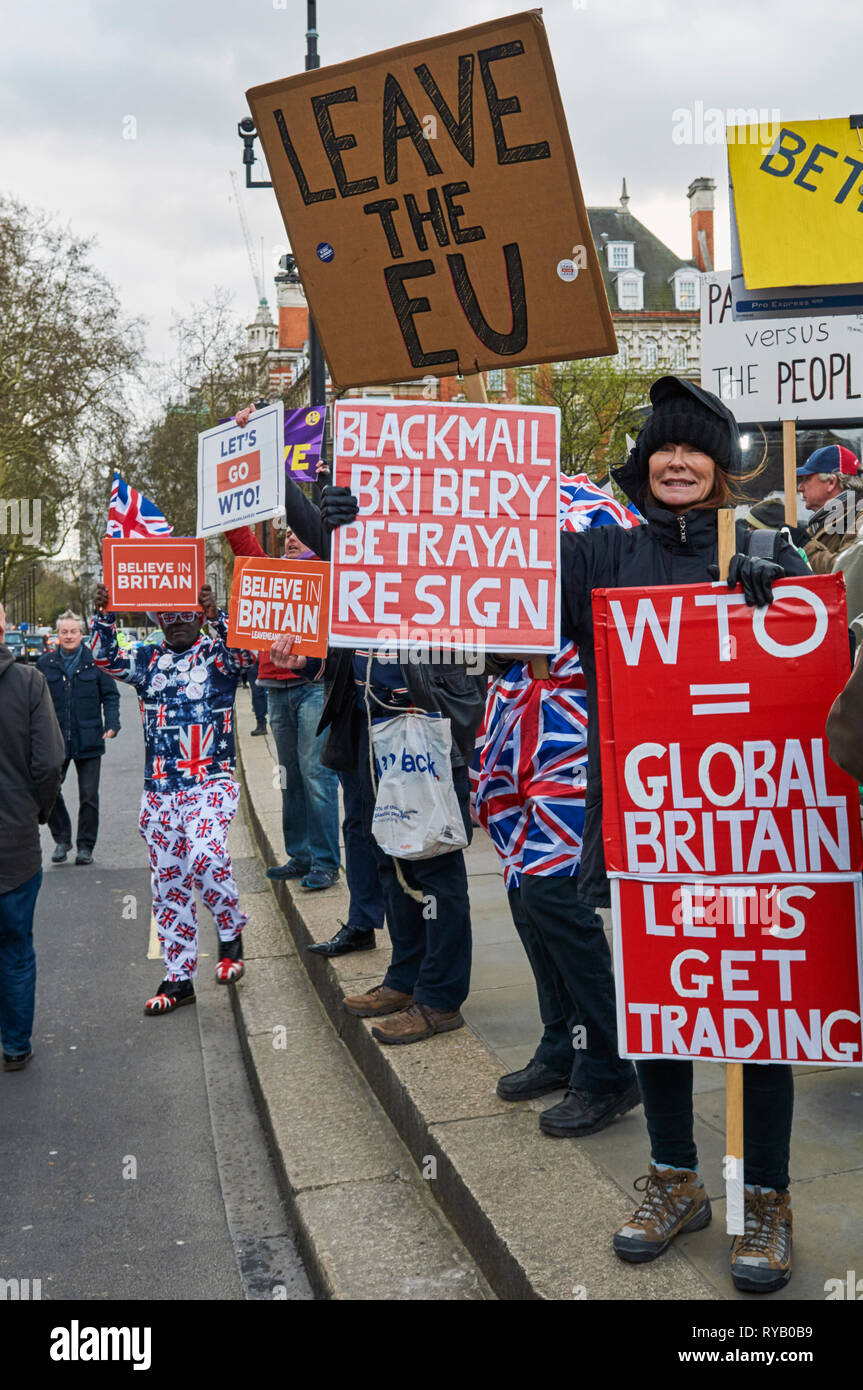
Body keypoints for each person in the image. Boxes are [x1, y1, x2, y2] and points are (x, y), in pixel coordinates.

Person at [557, 376, 809, 1294]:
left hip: (748, 825)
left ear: (717, 468)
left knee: (758, 1011)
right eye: (663, 446)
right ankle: (674, 1177)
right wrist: (338, 529)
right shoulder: (596, 555)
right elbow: (474, 591)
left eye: (693, 448)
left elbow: (816, 664)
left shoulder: (767, 544)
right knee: (660, 1000)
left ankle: (767, 1198)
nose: (675, 460)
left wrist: (774, 590)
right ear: (644, 462)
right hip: (645, 824)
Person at [265, 472, 486, 1046]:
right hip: (367, 730)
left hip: (421, 730)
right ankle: (405, 977)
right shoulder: (357, 545)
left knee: (432, 862)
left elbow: (486, 647)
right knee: (387, 855)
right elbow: (346, 647)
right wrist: (269, 450)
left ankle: (440, 998)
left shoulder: (454, 548)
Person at [474, 476, 641, 1138]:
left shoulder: (592, 508)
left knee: (553, 892)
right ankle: (561, 1042)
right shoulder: (475, 513)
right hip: (515, 711)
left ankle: (607, 1067)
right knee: (521, 888)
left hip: (572, 715)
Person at [91, 582, 256, 1015]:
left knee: (205, 856)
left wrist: (219, 614)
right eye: (169, 615)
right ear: (157, 619)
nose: (179, 621)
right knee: (169, 887)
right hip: (161, 792)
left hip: (210, 783)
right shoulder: (146, 660)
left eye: (187, 614)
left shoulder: (218, 656)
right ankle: (179, 978)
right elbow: (105, 658)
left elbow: (247, 658)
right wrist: (105, 611)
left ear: (198, 616)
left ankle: (229, 929)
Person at [224, 511, 341, 892]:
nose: (291, 538)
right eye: (288, 534)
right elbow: (242, 543)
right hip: (275, 688)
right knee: (289, 776)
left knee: (315, 774)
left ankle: (326, 862)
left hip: (312, 687)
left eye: (299, 534)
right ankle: (301, 854)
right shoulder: (268, 575)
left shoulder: (326, 571)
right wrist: (227, 512)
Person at [0, 601, 65, 1070]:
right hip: (14, 841)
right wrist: (37, 814)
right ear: (3, 624)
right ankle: (15, 1045)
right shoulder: (28, 683)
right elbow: (48, 763)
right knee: (16, 948)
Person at [37, 608, 120, 866]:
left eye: (73, 631)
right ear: (57, 635)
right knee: (47, 790)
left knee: (88, 796)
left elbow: (110, 696)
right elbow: (36, 703)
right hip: (55, 740)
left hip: (89, 739)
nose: (69, 636)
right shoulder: (45, 664)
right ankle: (62, 839)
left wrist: (113, 723)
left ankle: (85, 846)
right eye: (64, 632)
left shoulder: (95, 662)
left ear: (81, 634)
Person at [797, 444, 863, 571]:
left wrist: (806, 546)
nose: (800, 487)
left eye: (807, 479)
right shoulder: (820, 522)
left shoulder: (858, 519)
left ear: (831, 482)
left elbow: (847, 571)